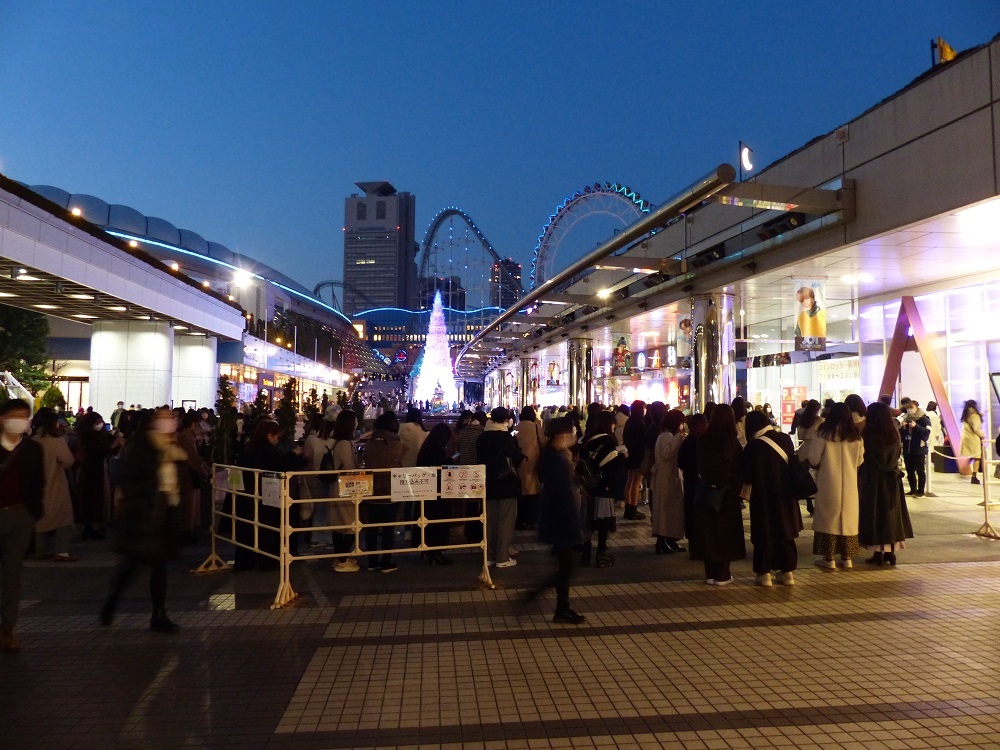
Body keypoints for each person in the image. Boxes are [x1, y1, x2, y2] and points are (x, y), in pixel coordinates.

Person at [100, 407, 188, 633]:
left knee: (159, 567)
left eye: (172, 418)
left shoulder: (171, 445)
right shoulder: (142, 445)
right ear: (153, 422)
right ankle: (113, 599)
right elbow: (131, 479)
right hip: (143, 514)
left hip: (164, 514)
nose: (170, 422)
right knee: (132, 565)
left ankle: (158, 615)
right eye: (165, 418)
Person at [0, 399, 45, 652]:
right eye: (14, 415)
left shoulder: (32, 449)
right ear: (2, 418)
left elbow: (39, 482)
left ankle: (8, 628)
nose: (20, 419)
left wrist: (33, 512)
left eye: (24, 415)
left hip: (20, 516)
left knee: (12, 575)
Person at [531, 417, 585, 624]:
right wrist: (576, 524)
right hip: (562, 519)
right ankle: (559, 608)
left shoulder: (554, 455)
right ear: (561, 434)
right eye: (572, 430)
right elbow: (562, 494)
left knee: (566, 567)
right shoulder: (556, 459)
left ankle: (556, 605)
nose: (574, 434)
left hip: (558, 518)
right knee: (567, 567)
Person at [741, 411, 803, 586]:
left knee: (764, 534)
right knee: (785, 532)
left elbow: (746, 474)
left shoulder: (752, 447)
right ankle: (787, 572)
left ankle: (764, 574)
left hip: (763, 498)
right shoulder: (785, 439)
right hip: (786, 496)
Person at [803, 402, 864, 570]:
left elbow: (814, 459)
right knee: (848, 519)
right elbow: (860, 461)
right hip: (850, 486)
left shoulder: (822, 434)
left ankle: (828, 558)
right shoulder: (856, 436)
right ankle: (847, 557)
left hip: (828, 482)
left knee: (828, 519)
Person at [689, 404, 745, 585]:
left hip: (706, 491)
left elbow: (700, 466)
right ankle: (722, 574)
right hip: (726, 495)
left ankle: (710, 573)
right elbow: (737, 470)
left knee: (708, 532)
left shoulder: (703, 441)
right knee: (724, 532)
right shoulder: (732, 443)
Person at [858, 402, 913, 566]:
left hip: (874, 480)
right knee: (890, 516)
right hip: (892, 480)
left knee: (875, 515)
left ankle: (878, 553)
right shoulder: (894, 434)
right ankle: (890, 552)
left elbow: (864, 458)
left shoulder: (869, 434)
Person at [579, 411, 625, 567]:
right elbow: (612, 465)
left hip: (586, 486)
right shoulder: (607, 441)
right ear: (609, 424)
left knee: (587, 522)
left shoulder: (584, 440)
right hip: (603, 486)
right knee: (603, 522)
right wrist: (622, 456)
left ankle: (586, 554)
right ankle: (601, 553)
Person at [477, 407, 522, 568]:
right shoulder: (506, 437)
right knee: (506, 520)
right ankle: (502, 557)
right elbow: (515, 457)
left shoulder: (482, 436)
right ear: (506, 420)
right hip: (506, 484)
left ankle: (489, 556)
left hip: (487, 483)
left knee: (489, 521)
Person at [362, 411, 406, 572]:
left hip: (371, 490)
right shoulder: (396, 444)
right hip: (390, 489)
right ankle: (386, 561)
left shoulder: (369, 442)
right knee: (388, 528)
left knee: (372, 528)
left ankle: (372, 561)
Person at [32, 409, 77, 562]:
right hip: (56, 484)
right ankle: (62, 552)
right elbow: (68, 461)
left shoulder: (33, 440)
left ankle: (39, 551)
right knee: (63, 518)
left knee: (40, 519)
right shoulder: (56, 440)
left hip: (36, 486)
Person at [416, 423, 454, 565]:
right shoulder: (437, 451)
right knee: (439, 522)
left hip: (426, 491)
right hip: (438, 492)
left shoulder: (426, 448)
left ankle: (430, 552)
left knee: (428, 522)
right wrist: (451, 460)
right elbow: (441, 467)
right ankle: (436, 553)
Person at [650, 410, 686, 554]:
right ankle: (663, 540)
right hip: (666, 477)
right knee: (666, 509)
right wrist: (679, 437)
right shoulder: (667, 436)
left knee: (670, 510)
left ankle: (670, 539)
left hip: (668, 476)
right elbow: (667, 453)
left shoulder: (664, 435)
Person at [677, 413, 708, 543]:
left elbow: (681, 463)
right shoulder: (707, 442)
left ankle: (692, 539)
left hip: (690, 480)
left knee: (690, 509)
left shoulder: (688, 442)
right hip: (703, 482)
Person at [515, 406, 545, 530]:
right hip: (534, 465)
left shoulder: (515, 429)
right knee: (533, 494)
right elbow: (544, 444)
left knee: (520, 493)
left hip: (519, 464)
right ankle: (531, 520)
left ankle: (519, 520)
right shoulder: (537, 428)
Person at [795, 400, 823, 515]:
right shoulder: (819, 420)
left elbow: (800, 436)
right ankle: (816, 504)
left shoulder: (802, 420)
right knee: (817, 476)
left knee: (807, 477)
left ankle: (809, 504)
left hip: (804, 449)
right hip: (815, 447)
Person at [621, 400, 647, 520]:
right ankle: (633, 508)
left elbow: (625, 438)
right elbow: (643, 441)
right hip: (638, 455)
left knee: (629, 481)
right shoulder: (641, 423)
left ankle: (628, 507)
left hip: (630, 454)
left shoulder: (629, 422)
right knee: (636, 482)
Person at [900, 400, 931, 497]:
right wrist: (903, 428)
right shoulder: (906, 418)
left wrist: (916, 426)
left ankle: (920, 490)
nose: (909, 410)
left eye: (911, 407)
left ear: (917, 407)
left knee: (920, 471)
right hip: (907, 449)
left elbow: (926, 435)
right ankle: (913, 489)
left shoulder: (924, 419)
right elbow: (902, 435)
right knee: (910, 471)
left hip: (919, 449)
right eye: (908, 408)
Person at [960, 400, 985, 484]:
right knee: (977, 457)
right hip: (974, 439)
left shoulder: (965, 416)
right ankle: (974, 476)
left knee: (970, 456)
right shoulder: (975, 416)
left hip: (966, 438)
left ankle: (963, 468)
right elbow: (976, 429)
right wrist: (983, 435)